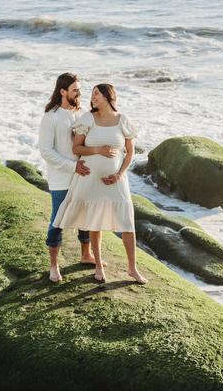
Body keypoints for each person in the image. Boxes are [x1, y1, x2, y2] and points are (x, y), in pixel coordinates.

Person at [53, 83, 148, 285]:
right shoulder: (88, 119)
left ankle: (132, 268)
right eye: (93, 94)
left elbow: (129, 152)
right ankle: (97, 266)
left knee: (127, 223)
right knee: (95, 221)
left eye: (97, 94)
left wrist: (120, 174)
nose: (93, 97)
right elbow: (76, 148)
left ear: (107, 96)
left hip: (115, 180)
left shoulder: (123, 120)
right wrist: (98, 150)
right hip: (89, 179)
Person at [38, 73, 114, 283]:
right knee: (58, 220)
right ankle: (54, 266)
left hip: (85, 174)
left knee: (87, 215)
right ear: (62, 92)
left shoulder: (82, 113)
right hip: (62, 177)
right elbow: (46, 151)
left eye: (80, 89)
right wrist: (73, 166)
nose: (80, 93)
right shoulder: (51, 117)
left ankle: (86, 254)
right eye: (75, 90)